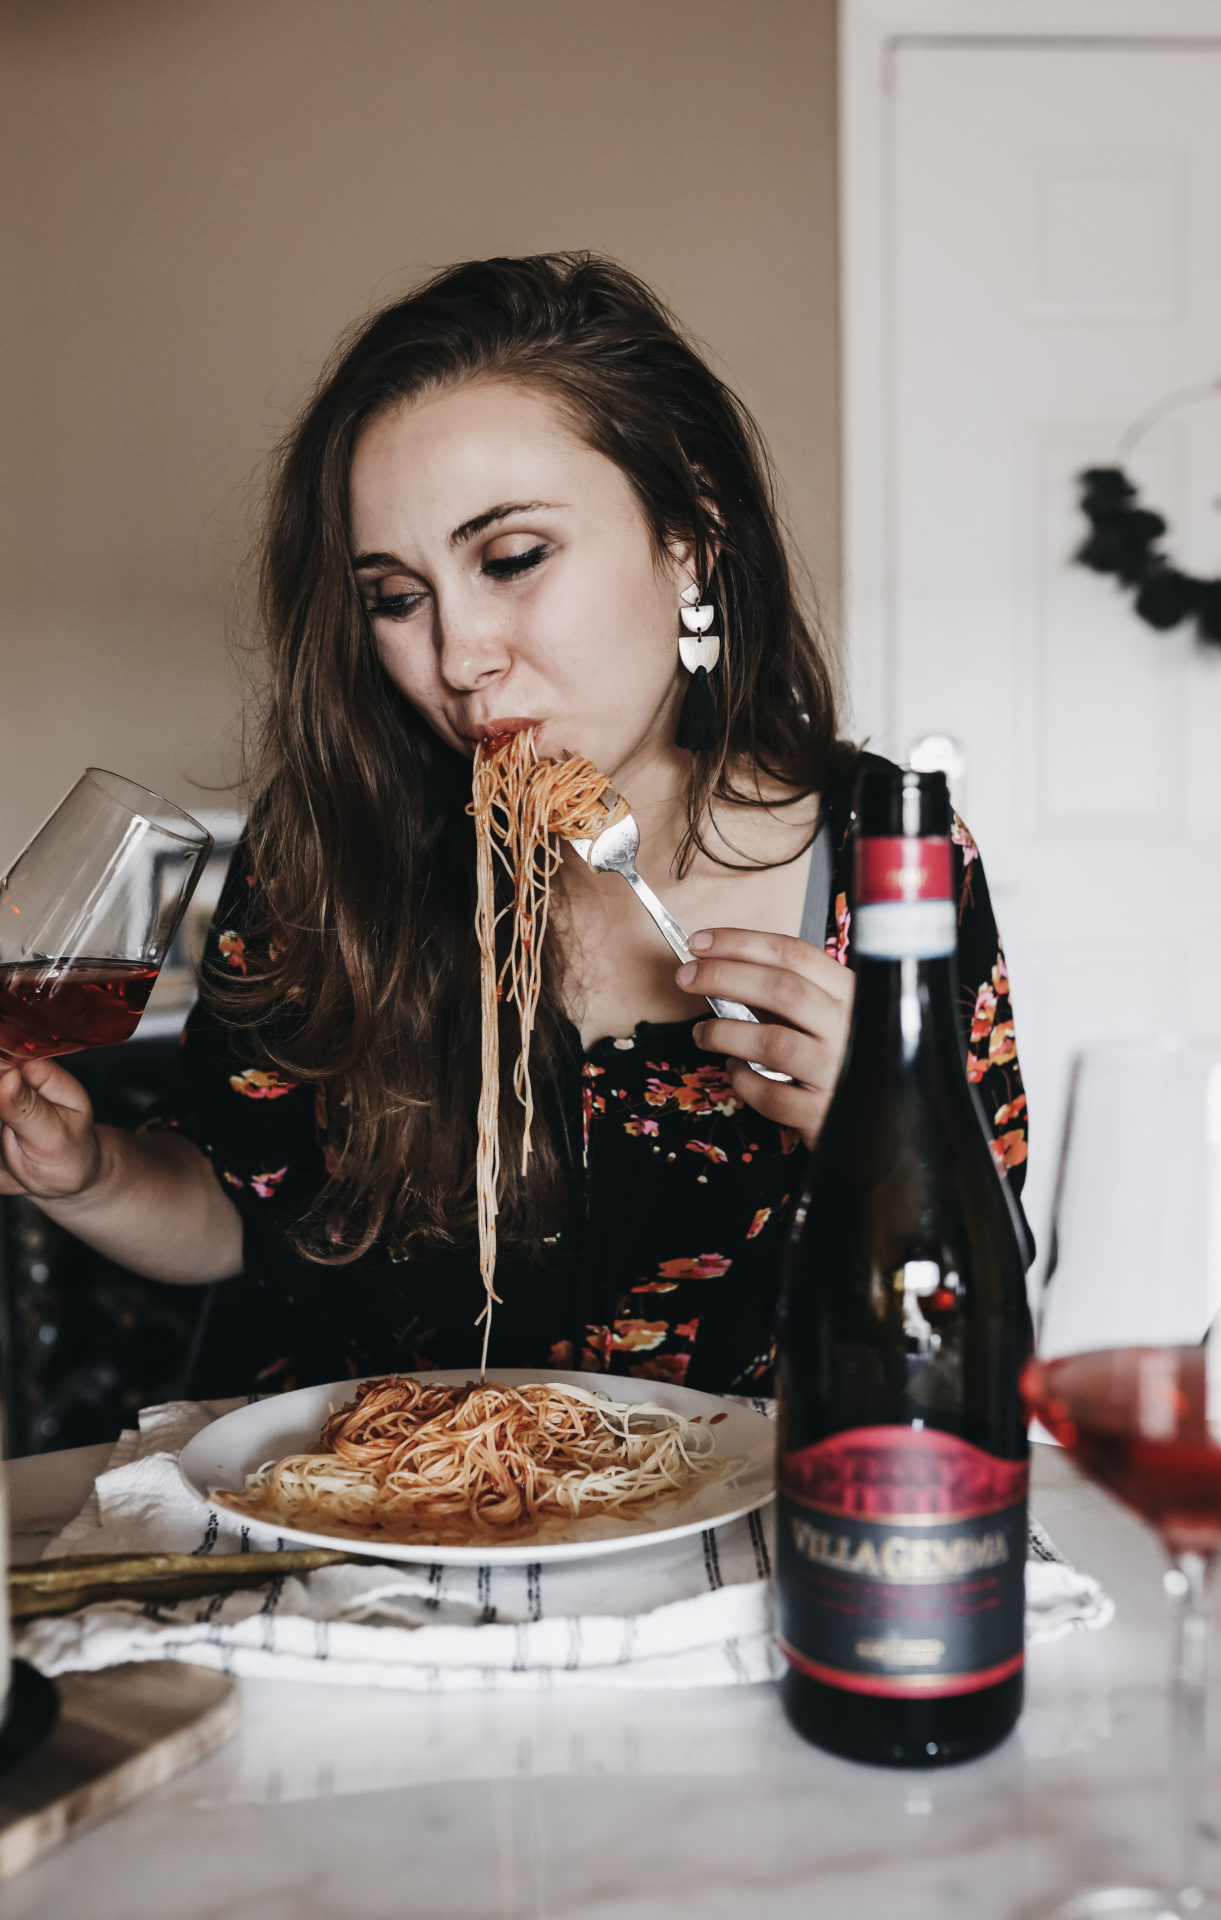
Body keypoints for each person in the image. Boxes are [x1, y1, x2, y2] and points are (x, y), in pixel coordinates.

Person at [0, 254, 1030, 1395]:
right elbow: (242, 1217)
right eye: (394, 597)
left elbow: (977, 1306)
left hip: (730, 1541)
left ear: (687, 531)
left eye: (512, 559)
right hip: (371, 1524)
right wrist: (85, 1173)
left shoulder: (887, 859)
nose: (454, 656)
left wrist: (902, 1144)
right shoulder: (328, 850)